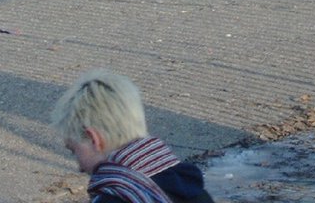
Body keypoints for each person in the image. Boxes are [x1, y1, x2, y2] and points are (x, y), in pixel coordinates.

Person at [51, 69, 215, 203]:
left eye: (74, 150)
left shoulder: (116, 197)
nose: (79, 167)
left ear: (95, 139)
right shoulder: (189, 184)